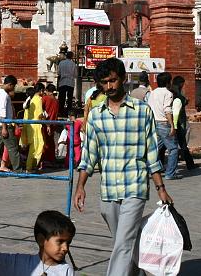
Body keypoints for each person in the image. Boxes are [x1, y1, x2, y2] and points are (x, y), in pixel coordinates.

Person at [74, 57, 173, 276]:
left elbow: (151, 154)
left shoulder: (142, 111)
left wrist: (161, 188)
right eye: (104, 83)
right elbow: (89, 156)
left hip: (135, 187)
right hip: (108, 191)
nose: (109, 87)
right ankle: (141, 270)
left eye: (112, 81)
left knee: (122, 244)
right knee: (125, 241)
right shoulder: (96, 117)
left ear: (123, 79)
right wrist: (80, 186)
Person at [0, 210, 75, 275]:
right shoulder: (21, 262)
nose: (65, 248)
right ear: (42, 240)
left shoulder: (66, 271)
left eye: (68, 243)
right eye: (60, 242)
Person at [148, 72, 180, 180]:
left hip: (153, 122)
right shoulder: (168, 93)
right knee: (173, 149)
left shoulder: (152, 93)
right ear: (168, 82)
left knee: (155, 149)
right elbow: (167, 110)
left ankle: (150, 170)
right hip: (163, 123)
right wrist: (172, 125)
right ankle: (170, 173)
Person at [0, 75, 20, 172]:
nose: (13, 89)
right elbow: (3, 111)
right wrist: (4, 128)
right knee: (13, 148)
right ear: (10, 85)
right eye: (13, 86)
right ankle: (18, 170)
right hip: (4, 125)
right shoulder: (4, 95)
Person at [171, 75, 197, 170]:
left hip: (173, 120)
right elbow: (179, 103)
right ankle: (189, 164)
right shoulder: (176, 92)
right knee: (182, 143)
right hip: (178, 121)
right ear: (180, 83)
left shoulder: (171, 90)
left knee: (165, 145)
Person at [21, 83, 45, 173]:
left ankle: (30, 166)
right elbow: (39, 115)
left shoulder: (30, 99)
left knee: (33, 147)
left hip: (29, 126)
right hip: (36, 125)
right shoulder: (38, 99)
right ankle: (29, 167)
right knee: (36, 147)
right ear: (41, 90)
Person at [41, 84, 59, 165]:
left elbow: (40, 109)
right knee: (51, 142)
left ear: (47, 91)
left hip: (46, 123)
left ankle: (46, 159)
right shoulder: (56, 100)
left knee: (45, 142)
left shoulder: (45, 98)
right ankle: (51, 159)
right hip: (53, 123)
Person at [56, 51, 77, 116]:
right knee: (69, 98)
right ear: (71, 56)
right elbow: (75, 74)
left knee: (62, 98)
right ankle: (68, 111)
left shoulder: (61, 63)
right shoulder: (73, 64)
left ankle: (61, 111)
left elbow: (58, 73)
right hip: (70, 83)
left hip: (62, 82)